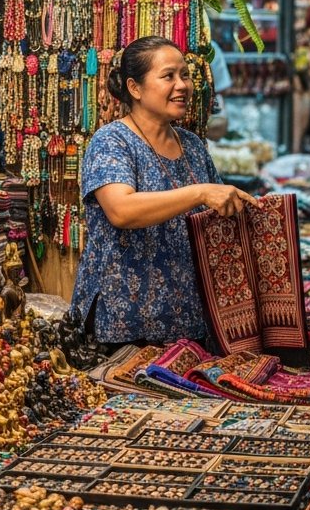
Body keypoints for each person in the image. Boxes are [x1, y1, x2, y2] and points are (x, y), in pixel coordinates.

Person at [71, 36, 257, 348]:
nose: (182, 85)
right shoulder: (113, 141)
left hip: (190, 326)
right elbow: (121, 210)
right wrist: (198, 194)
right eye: (168, 76)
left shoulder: (193, 147)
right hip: (125, 327)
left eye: (185, 75)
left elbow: (220, 216)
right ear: (135, 88)